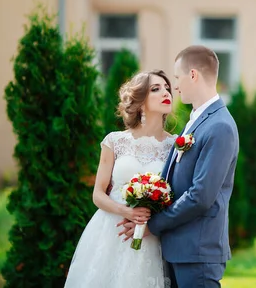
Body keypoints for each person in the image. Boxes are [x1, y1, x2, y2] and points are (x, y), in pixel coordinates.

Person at [119, 45, 240, 287]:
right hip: (179, 249)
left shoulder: (219, 126)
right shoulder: (196, 120)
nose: (175, 86)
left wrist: (153, 225)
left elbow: (200, 196)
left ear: (193, 75)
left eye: (177, 78)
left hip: (198, 251)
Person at [65, 70, 176, 288]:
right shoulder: (114, 141)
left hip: (150, 235)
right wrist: (126, 211)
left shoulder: (175, 146)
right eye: (156, 89)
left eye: (167, 88)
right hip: (110, 230)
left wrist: (150, 217)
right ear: (140, 101)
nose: (166, 92)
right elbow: (98, 194)